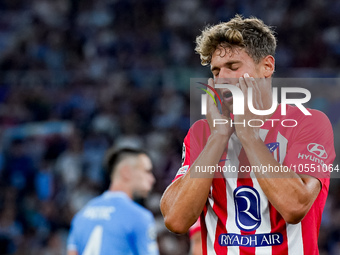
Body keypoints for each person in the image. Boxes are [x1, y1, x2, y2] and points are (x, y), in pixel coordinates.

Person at [160, 15, 336, 254]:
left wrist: (248, 135)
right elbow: (176, 220)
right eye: (216, 71)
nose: (222, 79)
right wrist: (218, 137)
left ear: (267, 66)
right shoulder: (203, 133)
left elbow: (295, 205)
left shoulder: (308, 123)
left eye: (233, 67)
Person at [67, 147, 159, 255]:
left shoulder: (81, 215)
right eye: (147, 171)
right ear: (126, 172)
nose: (152, 179)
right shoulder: (139, 217)